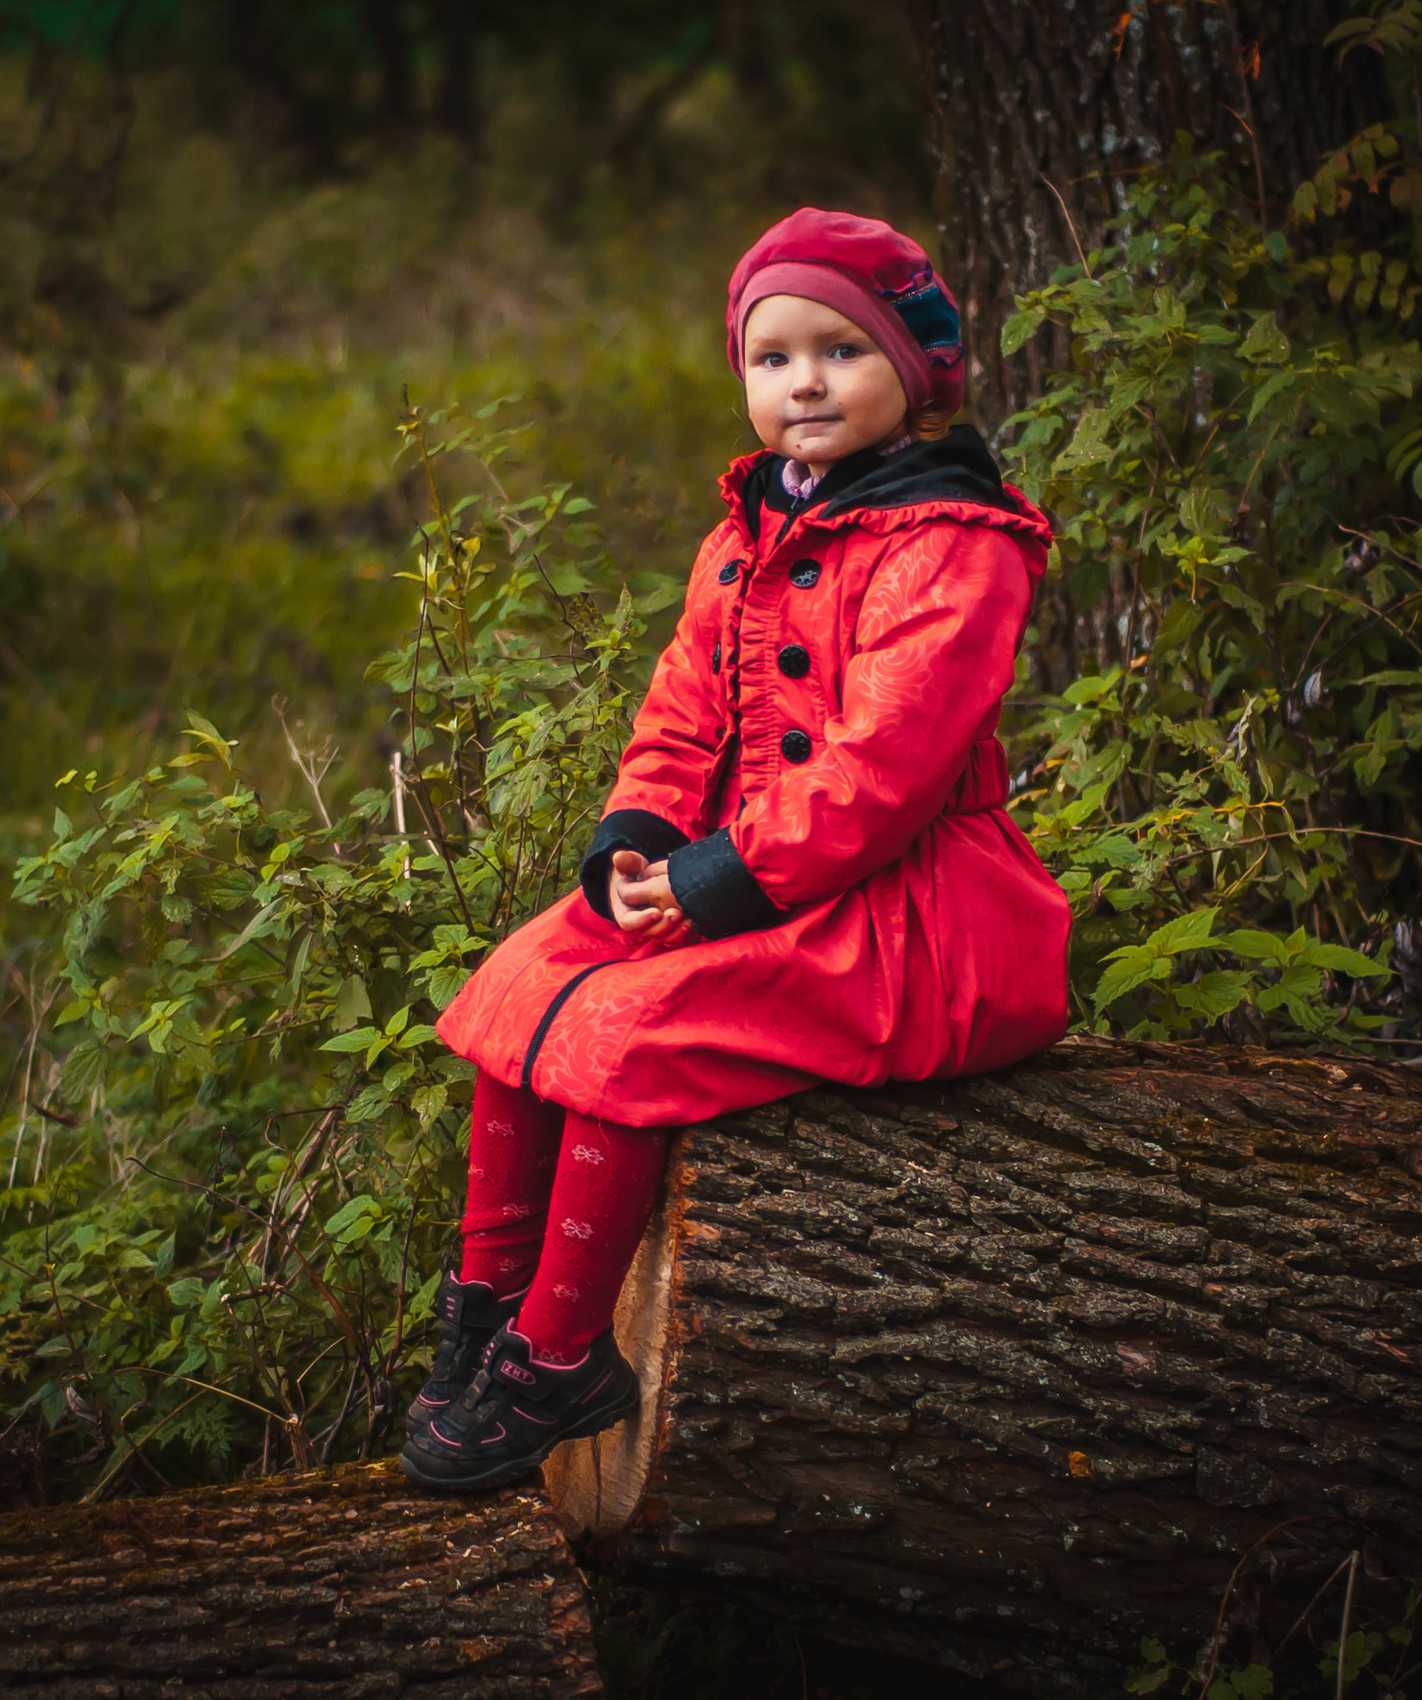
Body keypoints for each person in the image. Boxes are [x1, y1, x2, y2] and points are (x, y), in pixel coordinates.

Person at [397, 208, 1072, 1492]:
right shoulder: (749, 531)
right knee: (520, 984)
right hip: (763, 872)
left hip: (914, 915)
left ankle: (560, 1350)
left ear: (913, 372)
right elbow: (682, 708)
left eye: (841, 350)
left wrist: (711, 886)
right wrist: (641, 840)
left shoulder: (953, 545)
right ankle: (484, 1298)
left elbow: (883, 772)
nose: (804, 382)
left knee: (629, 1035)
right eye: (773, 357)